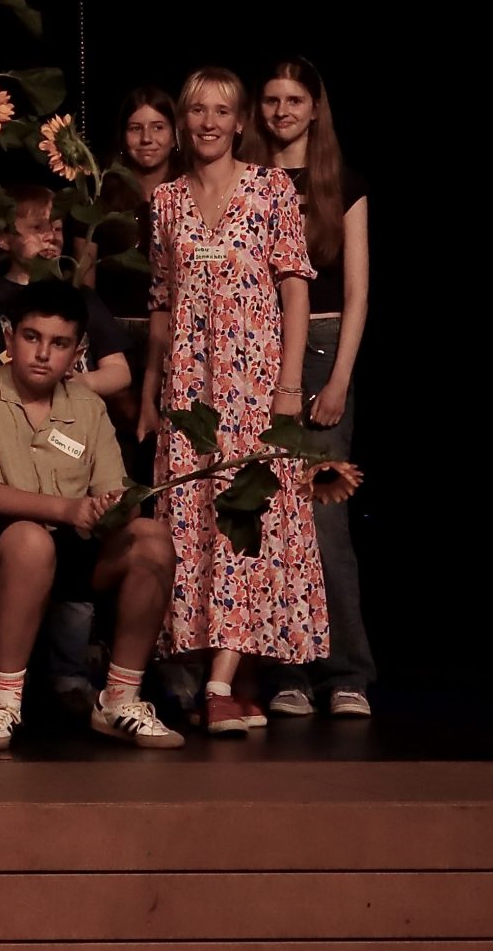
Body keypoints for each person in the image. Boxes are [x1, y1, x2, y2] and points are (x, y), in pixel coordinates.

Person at [140, 67, 321, 737]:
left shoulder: (272, 189)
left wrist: (289, 387)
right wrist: (152, 393)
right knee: (199, 529)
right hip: (191, 394)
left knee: (251, 523)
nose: (208, 122)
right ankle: (236, 683)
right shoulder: (165, 200)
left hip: (255, 390)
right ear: (184, 122)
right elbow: (162, 305)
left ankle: (218, 685)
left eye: (221, 111)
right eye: (197, 111)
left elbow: (295, 290)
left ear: (240, 122)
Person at [0, 279, 184, 749]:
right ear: (9, 336)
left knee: (152, 537)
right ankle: (3, 701)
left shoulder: (88, 405)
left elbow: (116, 489)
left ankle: (119, 699)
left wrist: (116, 506)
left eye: (59, 344)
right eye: (31, 337)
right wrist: (68, 508)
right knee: (30, 539)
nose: (42, 354)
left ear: (78, 351)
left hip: (71, 539)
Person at [243, 58, 372, 719]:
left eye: (294, 99)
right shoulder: (245, 177)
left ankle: (346, 673)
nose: (282, 111)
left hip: (320, 351)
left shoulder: (340, 182)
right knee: (268, 517)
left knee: (323, 516)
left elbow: (356, 292)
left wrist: (340, 377)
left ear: (315, 108)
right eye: (271, 99)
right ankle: (287, 671)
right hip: (254, 349)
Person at [0, 182, 134, 401]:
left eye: (57, 228)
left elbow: (120, 371)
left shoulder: (80, 296)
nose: (51, 236)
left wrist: (84, 382)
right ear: (3, 238)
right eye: (37, 228)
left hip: (71, 413)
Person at [91, 85, 179, 426]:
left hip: (175, 335)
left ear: (175, 134)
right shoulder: (101, 194)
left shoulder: (192, 192)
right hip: (113, 336)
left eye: (158, 127)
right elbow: (85, 284)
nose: (147, 139)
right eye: (135, 128)